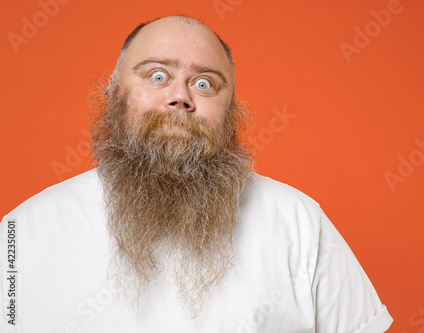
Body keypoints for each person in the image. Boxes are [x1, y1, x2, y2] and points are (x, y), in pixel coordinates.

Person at [0, 15, 393, 332]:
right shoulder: (22, 232)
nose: (180, 96)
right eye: (157, 76)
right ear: (115, 91)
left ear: (232, 111)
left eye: (205, 83)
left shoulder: (300, 224)